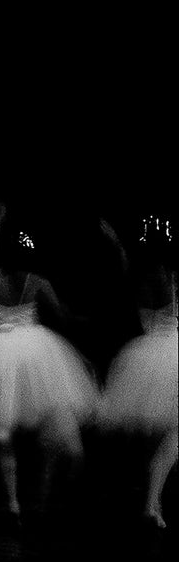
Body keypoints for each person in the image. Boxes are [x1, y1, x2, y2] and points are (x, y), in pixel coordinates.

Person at [0, 203, 99, 518]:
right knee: (49, 419)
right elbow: (64, 316)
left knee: (4, 434)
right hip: (36, 351)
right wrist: (83, 323)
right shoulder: (38, 281)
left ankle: (14, 502)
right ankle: (41, 494)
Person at [99, 215, 177, 529]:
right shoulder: (171, 278)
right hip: (170, 353)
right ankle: (151, 504)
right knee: (171, 437)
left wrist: (115, 240)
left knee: (155, 440)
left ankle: (153, 504)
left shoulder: (136, 278)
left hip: (145, 355)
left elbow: (123, 262)